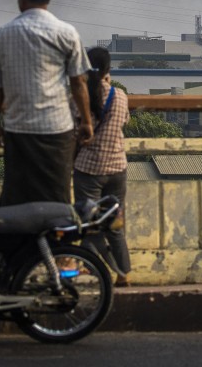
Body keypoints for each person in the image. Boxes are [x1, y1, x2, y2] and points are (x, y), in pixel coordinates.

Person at [0, 0, 93, 206]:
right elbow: (78, 83)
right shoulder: (67, 33)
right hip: (57, 130)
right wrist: (86, 121)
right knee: (57, 198)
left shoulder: (3, 35)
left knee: (17, 199)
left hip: (18, 129)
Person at [73, 47, 132, 287]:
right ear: (108, 69)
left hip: (88, 169)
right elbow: (124, 121)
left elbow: (74, 129)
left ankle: (87, 267)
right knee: (115, 224)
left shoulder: (81, 96)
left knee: (88, 224)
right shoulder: (121, 96)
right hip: (117, 168)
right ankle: (123, 274)